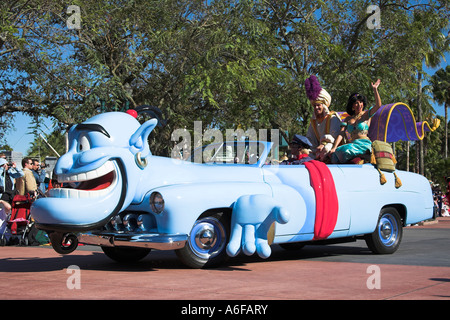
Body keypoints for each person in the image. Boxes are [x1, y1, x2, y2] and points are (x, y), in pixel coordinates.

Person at [331, 79, 382, 154]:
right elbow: (341, 134)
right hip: (353, 145)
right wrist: (334, 148)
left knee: (346, 150)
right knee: (338, 152)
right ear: (352, 106)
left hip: (364, 145)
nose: (359, 105)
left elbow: (378, 105)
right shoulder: (348, 119)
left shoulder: (366, 115)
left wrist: (375, 89)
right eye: (356, 103)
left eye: (361, 102)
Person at [305, 75, 341, 162]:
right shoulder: (313, 123)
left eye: (318, 105)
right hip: (319, 150)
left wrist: (323, 144)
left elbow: (334, 137)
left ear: (324, 106)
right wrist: (314, 150)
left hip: (333, 147)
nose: (316, 108)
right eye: (314, 106)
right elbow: (310, 140)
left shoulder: (333, 118)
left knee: (326, 149)